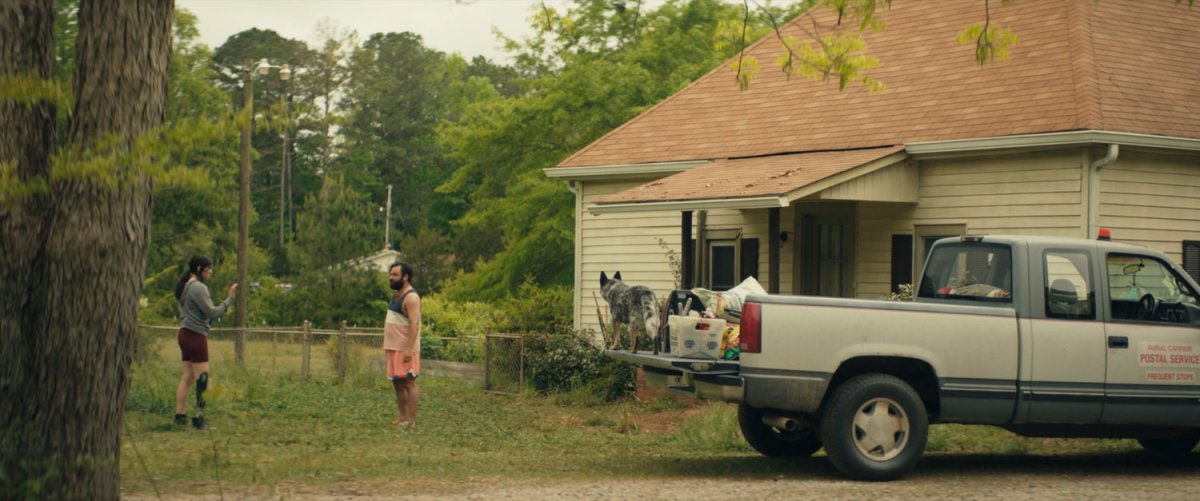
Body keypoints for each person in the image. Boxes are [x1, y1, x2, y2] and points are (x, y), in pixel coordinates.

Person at [173, 255, 236, 430]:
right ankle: (199, 418)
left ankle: (180, 415)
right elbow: (212, 313)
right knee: (202, 377)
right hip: (195, 335)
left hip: (184, 333)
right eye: (208, 269)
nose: (211, 272)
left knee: (187, 377)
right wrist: (229, 299)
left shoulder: (185, 286)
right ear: (199, 269)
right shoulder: (198, 288)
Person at [385, 262, 421, 427]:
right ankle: (402, 417)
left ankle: (411, 420)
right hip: (393, 347)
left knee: (408, 382)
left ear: (405, 277)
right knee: (397, 381)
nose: (391, 278)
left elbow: (414, 324)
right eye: (391, 274)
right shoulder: (396, 295)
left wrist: (409, 348)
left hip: (405, 348)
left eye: (395, 275)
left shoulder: (411, 297)